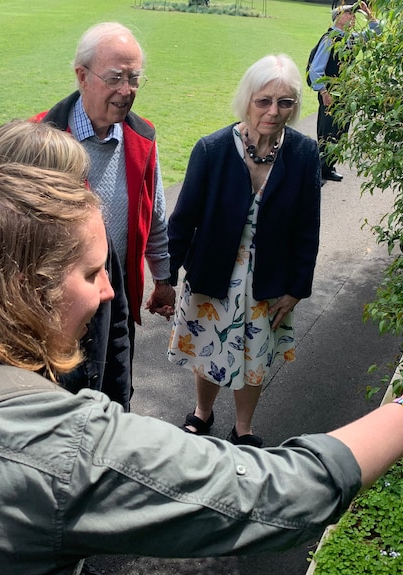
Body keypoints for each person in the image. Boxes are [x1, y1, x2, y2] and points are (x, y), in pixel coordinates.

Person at [0, 158, 403, 573]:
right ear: (21, 288)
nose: (106, 292)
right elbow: (276, 493)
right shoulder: (63, 444)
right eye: (93, 272)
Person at [167, 54, 321, 447]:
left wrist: (298, 286)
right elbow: (183, 220)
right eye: (264, 100)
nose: (273, 111)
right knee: (207, 345)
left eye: (285, 102)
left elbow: (307, 227)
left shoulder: (303, 154)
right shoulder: (212, 149)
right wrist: (165, 280)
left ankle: (244, 427)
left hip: (270, 277)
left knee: (255, 355)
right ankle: (202, 412)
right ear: (247, 100)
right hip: (214, 270)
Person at [0, 119, 132, 408]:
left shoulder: (92, 242)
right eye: (60, 191)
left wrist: (119, 408)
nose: (73, 204)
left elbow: (116, 328)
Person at [31, 22, 176, 349]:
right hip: (53, 310)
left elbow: (154, 219)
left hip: (118, 304)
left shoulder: (143, 138)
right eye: (115, 78)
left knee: (117, 395)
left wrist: (163, 280)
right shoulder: (39, 138)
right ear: (82, 76)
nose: (127, 91)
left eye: (134, 78)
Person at [308, 0, 381, 182]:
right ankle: (320, 169)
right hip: (331, 92)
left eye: (353, 14)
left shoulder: (351, 39)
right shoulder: (329, 39)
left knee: (341, 131)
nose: (352, 17)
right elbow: (316, 69)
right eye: (348, 14)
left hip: (346, 93)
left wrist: (369, 13)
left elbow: (377, 32)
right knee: (327, 130)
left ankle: (328, 167)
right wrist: (324, 92)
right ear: (338, 18)